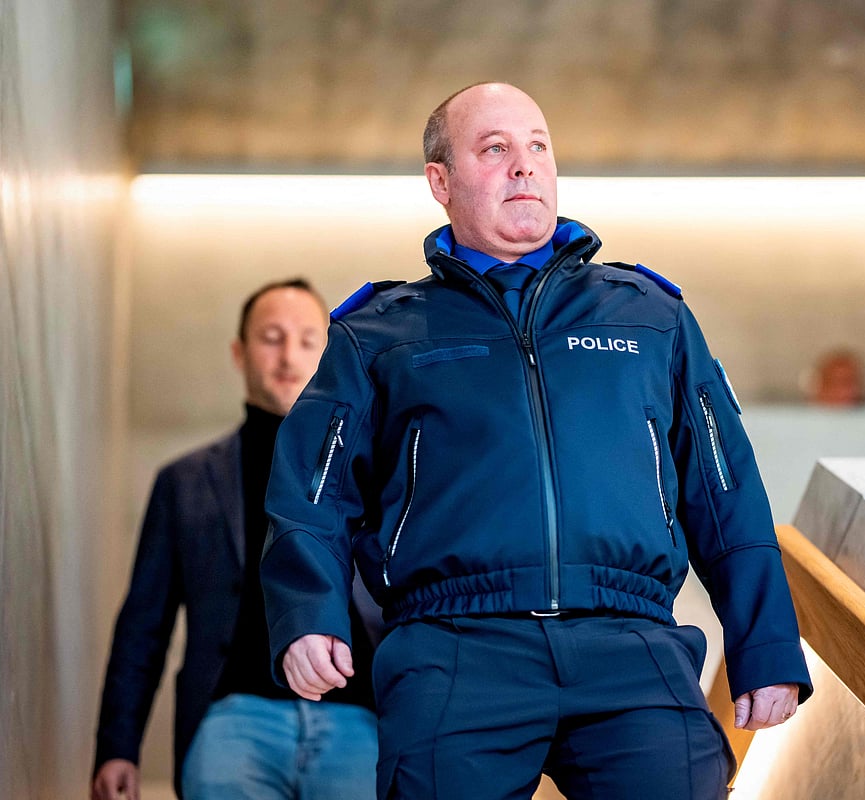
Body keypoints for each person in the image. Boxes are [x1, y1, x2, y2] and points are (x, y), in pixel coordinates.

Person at [261, 83, 814, 800]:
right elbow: (312, 493)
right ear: (441, 181)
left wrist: (764, 642)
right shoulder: (378, 333)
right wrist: (309, 613)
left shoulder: (649, 314)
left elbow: (723, 487)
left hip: (632, 642)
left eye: (537, 146)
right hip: (452, 649)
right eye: (495, 149)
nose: (524, 166)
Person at [92, 279, 380, 800]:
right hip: (232, 718)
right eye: (271, 337)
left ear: (330, 351)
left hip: (360, 718)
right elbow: (143, 625)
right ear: (239, 351)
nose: (289, 355)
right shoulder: (185, 481)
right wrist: (117, 746)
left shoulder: (374, 472)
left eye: (308, 339)